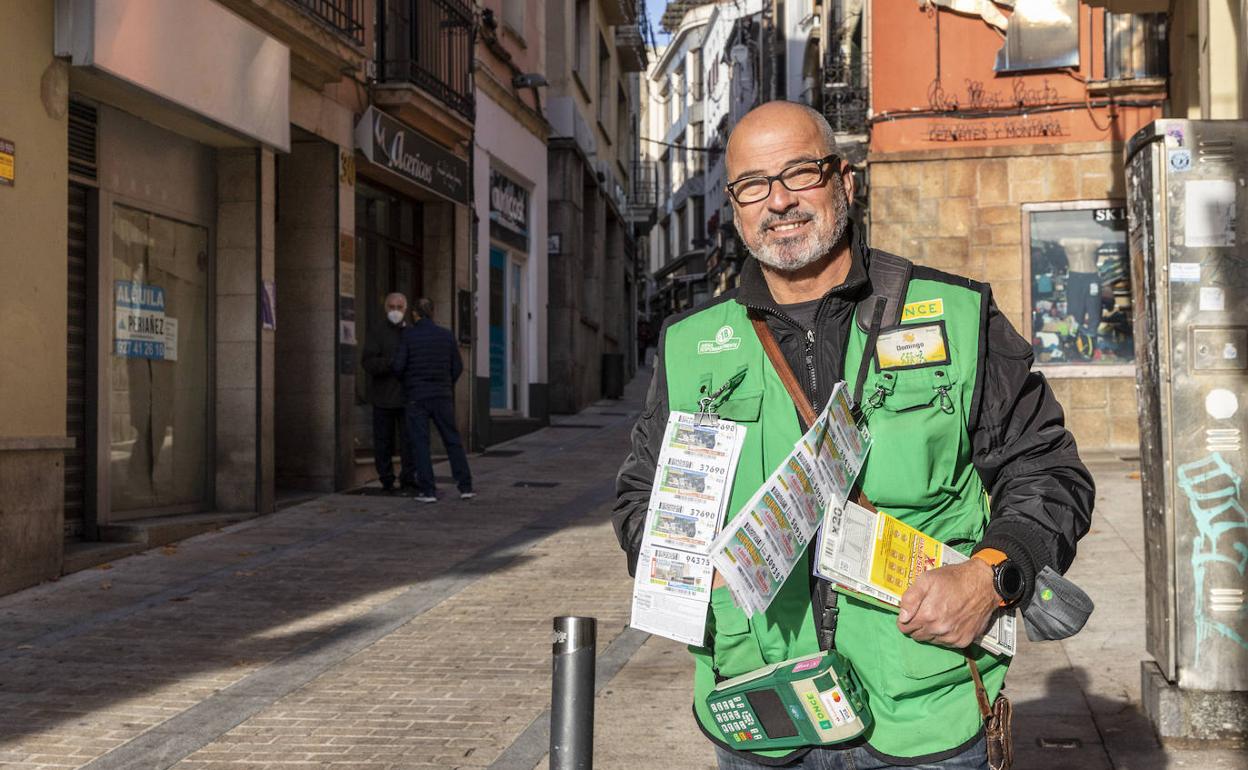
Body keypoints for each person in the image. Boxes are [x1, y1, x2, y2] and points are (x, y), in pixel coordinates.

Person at [612, 101, 1095, 769]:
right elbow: (642, 496)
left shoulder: (956, 314)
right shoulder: (692, 344)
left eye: (800, 174)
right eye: (753, 185)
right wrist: (681, 571)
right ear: (735, 206)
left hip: (923, 708)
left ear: (845, 180)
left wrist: (990, 576)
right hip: (762, 708)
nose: (778, 201)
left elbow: (1048, 470)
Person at [392, 297, 474, 503]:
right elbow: (457, 367)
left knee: (420, 443)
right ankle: (466, 486)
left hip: (417, 396)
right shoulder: (446, 336)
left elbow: (398, 366)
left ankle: (428, 491)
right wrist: (445, 383)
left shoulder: (408, 335)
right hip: (442, 396)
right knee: (452, 440)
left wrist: (408, 382)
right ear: (433, 312)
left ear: (415, 314)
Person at [361, 292, 415, 492]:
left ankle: (408, 477)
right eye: (391, 307)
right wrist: (391, 364)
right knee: (383, 441)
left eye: (399, 307)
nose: (395, 311)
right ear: (385, 308)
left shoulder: (412, 331)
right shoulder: (377, 332)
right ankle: (386, 478)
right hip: (383, 397)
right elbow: (367, 362)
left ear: (406, 309)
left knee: (409, 442)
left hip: (407, 398)